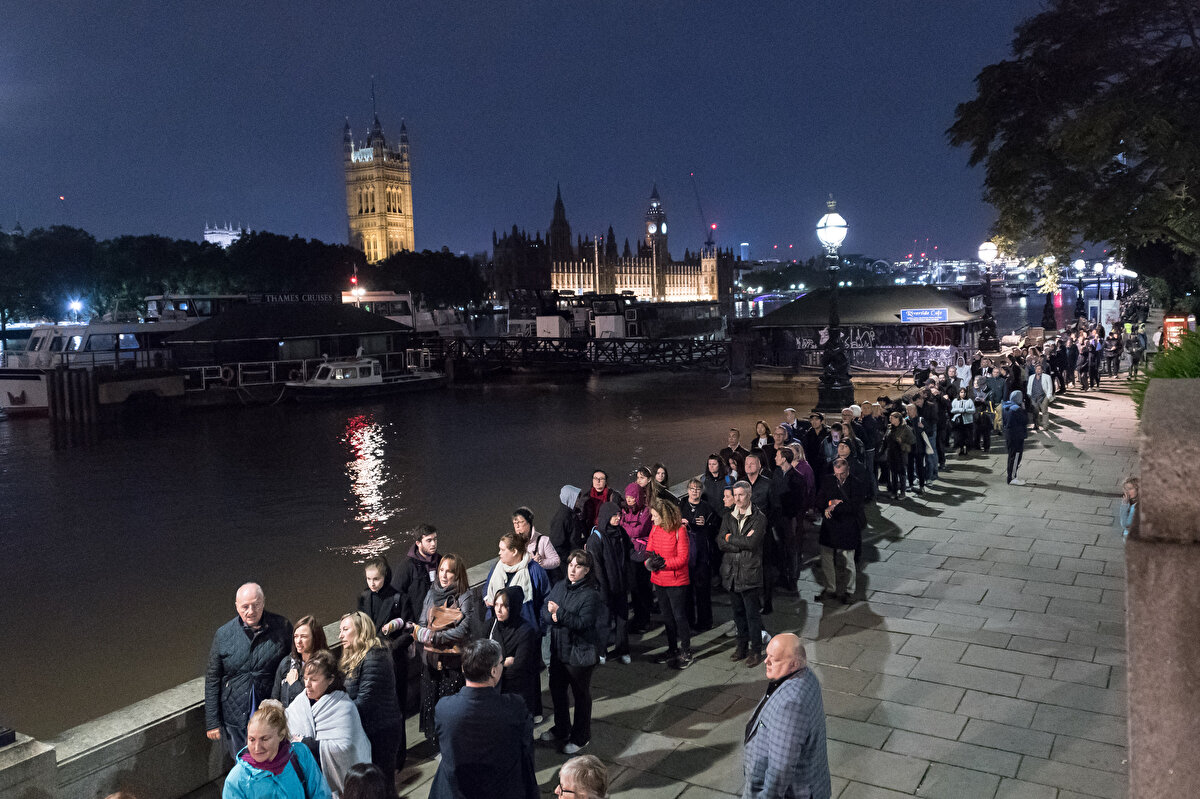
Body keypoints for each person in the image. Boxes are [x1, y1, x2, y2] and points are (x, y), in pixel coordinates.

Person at [429, 639, 539, 799]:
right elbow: (525, 746)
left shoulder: (444, 708)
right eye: (501, 662)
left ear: (463, 668)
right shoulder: (514, 707)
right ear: (493, 671)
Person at [206, 583, 294, 759]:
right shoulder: (224, 634)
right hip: (235, 714)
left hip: (270, 709)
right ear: (237, 606)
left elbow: (293, 661)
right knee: (242, 761)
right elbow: (213, 678)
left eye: (256, 604)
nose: (251, 611)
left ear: (263, 603)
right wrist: (212, 722)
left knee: (273, 760)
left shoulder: (282, 627)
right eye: (245, 606)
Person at [742, 634, 831, 799]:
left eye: (774, 659)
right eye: (767, 655)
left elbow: (780, 769)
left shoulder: (790, 704)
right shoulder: (807, 676)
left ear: (794, 663)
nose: (765, 661)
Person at [413, 553, 481, 752]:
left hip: (452, 663)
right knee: (431, 703)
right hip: (431, 661)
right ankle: (437, 745)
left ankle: (453, 745)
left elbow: (464, 628)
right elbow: (422, 621)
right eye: (441, 570)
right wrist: (426, 633)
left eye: (449, 571)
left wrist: (435, 638)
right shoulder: (432, 592)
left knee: (450, 706)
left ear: (457, 574)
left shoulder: (464, 596)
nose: (443, 575)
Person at [285, 650, 372, 797]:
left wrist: (307, 743)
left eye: (313, 680)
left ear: (330, 679)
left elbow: (347, 749)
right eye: (305, 678)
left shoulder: (344, 707)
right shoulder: (299, 702)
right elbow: (286, 726)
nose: (307, 684)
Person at [540, 550, 602, 754]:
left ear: (587, 570)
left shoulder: (591, 595)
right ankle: (561, 728)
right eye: (570, 565)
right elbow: (544, 611)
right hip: (559, 650)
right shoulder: (559, 586)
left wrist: (559, 614)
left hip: (579, 654)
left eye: (578, 566)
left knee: (580, 695)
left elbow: (583, 623)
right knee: (557, 692)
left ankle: (581, 736)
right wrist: (553, 616)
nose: (572, 570)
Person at [339, 612, 403, 782]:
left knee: (382, 785)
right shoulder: (357, 656)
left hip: (382, 732)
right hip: (370, 729)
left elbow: (365, 701)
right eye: (340, 630)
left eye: (345, 629)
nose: (340, 635)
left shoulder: (375, 655)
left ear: (361, 630)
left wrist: (337, 714)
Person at [356, 555, 408, 763]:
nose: (372, 583)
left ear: (385, 577)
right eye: (369, 579)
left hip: (394, 662)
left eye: (376, 579)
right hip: (371, 663)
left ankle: (399, 756)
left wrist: (390, 648)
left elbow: (408, 629)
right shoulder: (364, 597)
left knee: (398, 708)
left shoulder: (399, 598)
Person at [222, 699, 330, 799]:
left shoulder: (300, 755)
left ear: (281, 735)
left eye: (264, 739)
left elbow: (321, 794)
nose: (257, 747)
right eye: (252, 739)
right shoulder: (236, 780)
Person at [719, 481, 767, 667]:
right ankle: (741, 646)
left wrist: (731, 538)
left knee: (752, 615)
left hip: (749, 572)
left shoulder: (759, 518)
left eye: (741, 495)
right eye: (735, 495)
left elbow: (752, 543)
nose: (737, 499)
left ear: (749, 495)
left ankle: (755, 650)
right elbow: (720, 541)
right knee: (737, 613)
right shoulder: (728, 516)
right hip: (731, 572)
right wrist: (739, 540)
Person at [646, 499, 693, 669]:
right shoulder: (655, 528)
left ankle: (686, 650)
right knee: (667, 617)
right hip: (659, 580)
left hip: (676, 581)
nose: (652, 519)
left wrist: (664, 563)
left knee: (679, 616)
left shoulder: (680, 530)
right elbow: (650, 548)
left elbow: (683, 558)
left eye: (655, 516)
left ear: (664, 516)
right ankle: (672, 648)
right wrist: (650, 561)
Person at [585, 500, 631, 664]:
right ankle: (601, 652)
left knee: (622, 621)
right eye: (614, 515)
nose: (618, 518)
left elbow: (629, 552)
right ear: (606, 516)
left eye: (619, 514)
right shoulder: (595, 539)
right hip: (605, 589)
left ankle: (622, 649)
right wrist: (603, 591)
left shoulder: (620, 533)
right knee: (603, 622)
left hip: (620, 586)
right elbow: (596, 567)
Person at [484, 530, 551, 638]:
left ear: (514, 551)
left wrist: (540, 626)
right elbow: (487, 587)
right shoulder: (497, 567)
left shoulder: (534, 570)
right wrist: (487, 598)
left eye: (502, 549)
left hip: (527, 630)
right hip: (499, 629)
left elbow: (546, 598)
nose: (499, 553)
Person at [816, 459, 864, 605]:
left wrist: (835, 507)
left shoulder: (856, 484)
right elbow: (819, 501)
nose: (839, 477)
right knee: (827, 558)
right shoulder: (828, 480)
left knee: (848, 560)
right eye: (837, 474)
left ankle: (849, 591)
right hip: (830, 526)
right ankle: (830, 588)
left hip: (847, 526)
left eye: (842, 474)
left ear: (847, 470)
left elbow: (854, 507)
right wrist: (832, 503)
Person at [488, 585, 540, 717]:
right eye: (496, 604)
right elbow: (478, 657)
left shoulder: (526, 631)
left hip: (516, 692)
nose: (498, 610)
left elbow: (519, 666)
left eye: (504, 606)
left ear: (514, 607)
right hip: (493, 690)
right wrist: (503, 663)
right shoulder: (491, 624)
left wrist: (492, 668)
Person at [390, 524, 440, 637]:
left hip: (440, 622)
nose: (433, 543)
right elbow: (395, 595)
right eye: (429, 540)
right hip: (418, 626)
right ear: (418, 543)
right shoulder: (407, 566)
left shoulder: (441, 561)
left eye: (435, 539)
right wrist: (408, 620)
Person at [620, 481, 654, 632]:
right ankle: (638, 618)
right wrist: (629, 527)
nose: (629, 499)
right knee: (634, 587)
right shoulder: (625, 511)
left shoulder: (646, 511)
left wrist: (627, 526)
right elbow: (626, 528)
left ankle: (644, 619)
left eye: (632, 497)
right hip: (630, 553)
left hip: (642, 553)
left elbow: (638, 531)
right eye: (627, 496)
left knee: (643, 587)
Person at [274, 615, 328, 708]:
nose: (298, 641)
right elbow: (275, 698)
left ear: (315, 638)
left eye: (303, 637)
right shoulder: (287, 663)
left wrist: (295, 685)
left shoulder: (324, 665)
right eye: (296, 636)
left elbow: (318, 701)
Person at [513, 506, 561, 581]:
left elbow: (556, 561)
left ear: (529, 523)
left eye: (520, 522)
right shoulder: (514, 543)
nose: (517, 526)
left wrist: (541, 562)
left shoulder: (543, 540)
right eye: (515, 523)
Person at [549, 486, 584, 577]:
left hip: (573, 559)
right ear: (569, 498)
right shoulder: (562, 518)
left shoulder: (572, 515)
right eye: (576, 498)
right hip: (566, 565)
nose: (578, 501)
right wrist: (569, 560)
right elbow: (556, 544)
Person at [882, 411, 914, 499]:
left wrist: (902, 441)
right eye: (890, 418)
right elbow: (885, 440)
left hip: (901, 453)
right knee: (893, 473)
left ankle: (902, 492)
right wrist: (882, 451)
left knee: (902, 473)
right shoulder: (889, 427)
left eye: (892, 418)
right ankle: (894, 491)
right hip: (891, 453)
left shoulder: (905, 428)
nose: (890, 419)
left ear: (897, 419)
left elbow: (912, 440)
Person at [1002, 390, 1029, 485]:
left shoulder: (1006, 406)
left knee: (1011, 456)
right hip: (1017, 435)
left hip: (1009, 434)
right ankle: (1012, 478)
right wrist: (1024, 409)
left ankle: (1011, 476)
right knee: (1016, 456)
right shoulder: (1017, 409)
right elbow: (1025, 420)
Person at [1026, 362, 1054, 431]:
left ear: (1042, 370)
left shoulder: (1047, 377)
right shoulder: (1031, 377)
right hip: (1033, 397)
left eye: (1039, 369)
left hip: (1043, 397)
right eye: (1036, 369)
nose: (1038, 370)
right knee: (1035, 412)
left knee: (1044, 411)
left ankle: (1045, 426)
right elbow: (1029, 387)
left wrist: (1048, 397)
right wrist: (1029, 395)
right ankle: (1036, 425)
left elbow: (1050, 388)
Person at [950, 387, 975, 455]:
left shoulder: (969, 400)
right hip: (958, 421)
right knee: (959, 436)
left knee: (967, 436)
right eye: (961, 392)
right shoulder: (955, 400)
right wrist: (959, 410)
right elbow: (952, 410)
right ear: (959, 393)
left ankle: (966, 449)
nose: (963, 394)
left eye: (964, 392)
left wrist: (966, 410)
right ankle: (960, 448)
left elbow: (973, 410)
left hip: (967, 421)